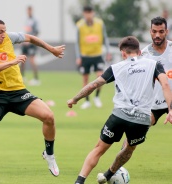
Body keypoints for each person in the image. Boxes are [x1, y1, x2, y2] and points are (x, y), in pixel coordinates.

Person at [0, 18, 65, 180]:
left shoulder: (9, 37)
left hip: (18, 93)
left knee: (49, 117)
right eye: (0, 32)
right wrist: (13, 62)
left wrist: (51, 49)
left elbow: (30, 38)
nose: (4, 35)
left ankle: (49, 155)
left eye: (5, 31)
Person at [67, 36, 172, 184]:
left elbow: (94, 85)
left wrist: (74, 99)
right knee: (129, 149)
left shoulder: (116, 67)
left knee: (99, 149)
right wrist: (171, 108)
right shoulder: (154, 64)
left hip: (119, 116)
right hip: (141, 120)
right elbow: (165, 85)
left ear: (123, 53)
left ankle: (79, 181)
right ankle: (108, 175)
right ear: (139, 51)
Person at [75, 5, 111, 109]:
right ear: (84, 14)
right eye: (86, 13)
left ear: (93, 13)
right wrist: (78, 56)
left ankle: (97, 97)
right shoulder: (80, 25)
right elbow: (77, 42)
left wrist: (108, 52)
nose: (88, 15)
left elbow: (105, 38)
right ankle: (86, 101)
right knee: (85, 79)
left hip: (97, 55)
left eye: (90, 12)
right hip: (85, 56)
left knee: (100, 77)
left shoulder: (100, 23)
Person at [141, 16, 172, 126]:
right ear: (150, 31)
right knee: (136, 132)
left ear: (166, 32)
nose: (157, 35)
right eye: (154, 31)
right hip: (153, 104)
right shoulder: (144, 55)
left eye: (161, 31)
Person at [21, 6, 40, 86]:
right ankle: (22, 77)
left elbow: (37, 31)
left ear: (31, 11)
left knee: (32, 61)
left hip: (31, 43)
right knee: (22, 60)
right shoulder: (26, 20)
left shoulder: (34, 20)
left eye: (29, 10)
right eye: (27, 11)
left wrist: (31, 40)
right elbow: (26, 31)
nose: (28, 12)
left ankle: (36, 78)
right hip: (25, 42)